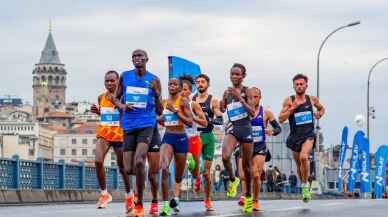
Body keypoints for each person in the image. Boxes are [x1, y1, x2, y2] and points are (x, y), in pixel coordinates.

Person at [112, 49, 162, 216]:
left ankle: (139, 203)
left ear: (147, 59)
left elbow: (160, 109)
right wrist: (122, 106)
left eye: (140, 56)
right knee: (128, 169)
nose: (137, 58)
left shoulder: (154, 79)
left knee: (140, 161)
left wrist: (156, 92)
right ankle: (141, 176)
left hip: (147, 123)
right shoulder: (125, 76)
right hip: (129, 125)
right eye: (134, 56)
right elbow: (115, 98)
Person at [279, 73, 325, 203]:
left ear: (306, 85)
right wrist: (291, 109)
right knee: (299, 164)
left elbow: (322, 109)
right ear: (294, 86)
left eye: (301, 84)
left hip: (308, 135)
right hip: (295, 136)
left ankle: (305, 186)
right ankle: (304, 184)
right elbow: (281, 119)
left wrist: (319, 114)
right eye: (297, 84)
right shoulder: (289, 100)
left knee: (304, 157)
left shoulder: (312, 100)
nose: (299, 86)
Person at [90, 70, 131, 210]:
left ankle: (129, 195)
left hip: (119, 135)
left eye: (112, 80)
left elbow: (127, 111)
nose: (109, 83)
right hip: (104, 133)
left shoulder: (124, 96)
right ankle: (104, 194)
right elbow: (105, 112)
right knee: (98, 160)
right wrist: (97, 111)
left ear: (118, 81)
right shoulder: (101, 96)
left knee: (123, 168)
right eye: (107, 81)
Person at [220, 63, 255, 214]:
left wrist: (239, 98)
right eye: (232, 74)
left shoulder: (248, 91)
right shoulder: (227, 92)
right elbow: (222, 109)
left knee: (247, 167)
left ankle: (248, 197)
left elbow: (252, 112)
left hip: (245, 129)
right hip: (233, 129)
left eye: (237, 74)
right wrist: (223, 101)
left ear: (243, 76)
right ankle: (233, 179)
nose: (234, 76)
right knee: (225, 156)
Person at [159, 78, 193, 216]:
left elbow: (190, 122)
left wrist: (175, 111)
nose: (171, 86)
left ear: (180, 88)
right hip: (168, 137)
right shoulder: (164, 102)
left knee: (178, 176)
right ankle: (166, 205)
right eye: (170, 84)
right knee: (164, 168)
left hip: (181, 138)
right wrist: (158, 120)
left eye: (175, 85)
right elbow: (162, 119)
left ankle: (176, 197)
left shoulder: (183, 102)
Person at [246, 87, 281, 211]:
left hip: (260, 147)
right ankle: (246, 197)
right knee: (245, 175)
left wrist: (272, 131)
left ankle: (255, 201)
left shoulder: (266, 113)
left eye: (256, 97)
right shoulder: (243, 112)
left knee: (256, 175)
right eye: (250, 97)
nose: (253, 100)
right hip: (245, 147)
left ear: (260, 98)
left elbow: (278, 128)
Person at [193, 73, 224, 210]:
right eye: (198, 82)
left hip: (208, 136)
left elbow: (219, 116)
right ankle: (196, 178)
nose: (200, 84)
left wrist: (212, 119)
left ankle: (207, 200)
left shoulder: (212, 100)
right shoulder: (190, 100)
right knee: (191, 163)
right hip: (195, 136)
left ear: (208, 84)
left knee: (206, 173)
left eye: (203, 82)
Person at [179, 75, 208, 195]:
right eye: (180, 89)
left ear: (190, 91)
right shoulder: (173, 104)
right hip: (180, 139)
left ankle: (197, 180)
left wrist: (193, 118)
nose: (182, 92)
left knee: (194, 168)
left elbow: (205, 123)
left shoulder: (193, 104)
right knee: (183, 165)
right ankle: (176, 197)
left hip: (193, 139)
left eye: (185, 89)